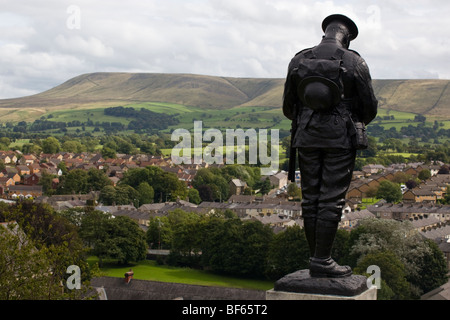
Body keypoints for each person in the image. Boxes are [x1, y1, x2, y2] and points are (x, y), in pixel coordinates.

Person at [283, 14, 378, 277]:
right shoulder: (354, 61)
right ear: (346, 36)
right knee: (331, 199)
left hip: (306, 134)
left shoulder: (299, 59)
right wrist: (349, 120)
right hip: (340, 137)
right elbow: (369, 107)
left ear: (325, 32)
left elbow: (288, 107)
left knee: (310, 198)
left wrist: (308, 120)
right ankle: (322, 260)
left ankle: (317, 259)